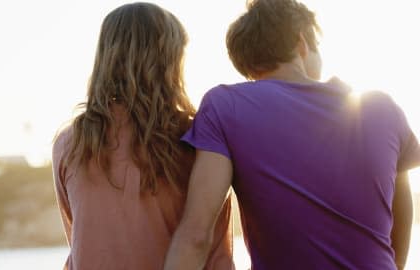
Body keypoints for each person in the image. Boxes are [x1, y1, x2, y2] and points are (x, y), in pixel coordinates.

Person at [164, 0, 420, 269]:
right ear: (302, 42)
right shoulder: (380, 107)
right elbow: (399, 218)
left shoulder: (225, 106)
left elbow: (196, 234)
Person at [52, 2, 235, 270]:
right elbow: (209, 245)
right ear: (172, 61)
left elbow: (82, 244)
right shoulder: (197, 139)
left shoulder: (71, 142)